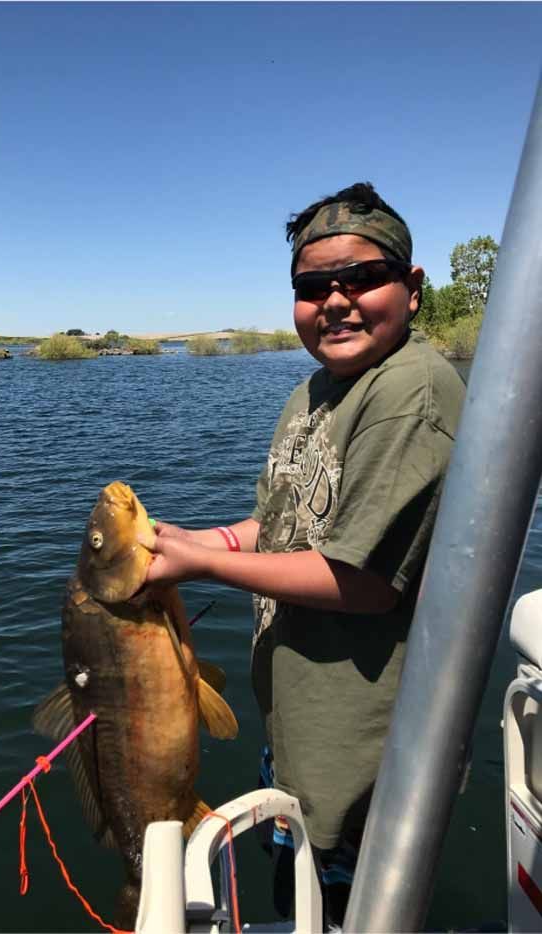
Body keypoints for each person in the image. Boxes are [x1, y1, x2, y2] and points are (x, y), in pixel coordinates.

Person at [145, 181, 466, 927]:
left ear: (412, 288)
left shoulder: (411, 393)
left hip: (365, 763)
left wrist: (201, 567)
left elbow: (361, 583)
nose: (337, 300)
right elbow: (286, 523)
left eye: (363, 278)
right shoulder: (317, 391)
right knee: (298, 906)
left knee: (348, 909)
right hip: (299, 735)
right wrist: (205, 540)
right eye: (313, 286)